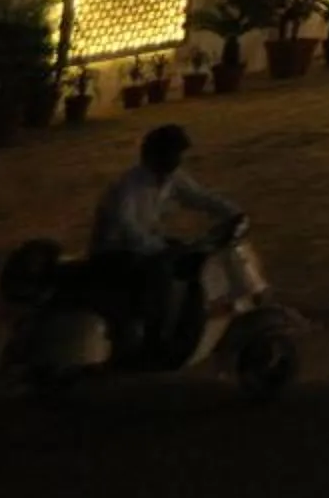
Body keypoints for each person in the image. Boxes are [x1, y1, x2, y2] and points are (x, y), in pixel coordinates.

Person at [87, 124, 239, 362]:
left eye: (177, 153)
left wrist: (232, 213)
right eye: (171, 153)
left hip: (144, 245)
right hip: (114, 251)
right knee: (162, 272)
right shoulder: (129, 185)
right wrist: (159, 249)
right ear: (153, 155)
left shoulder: (170, 179)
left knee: (189, 259)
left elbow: (200, 197)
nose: (176, 159)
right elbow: (126, 227)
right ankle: (154, 339)